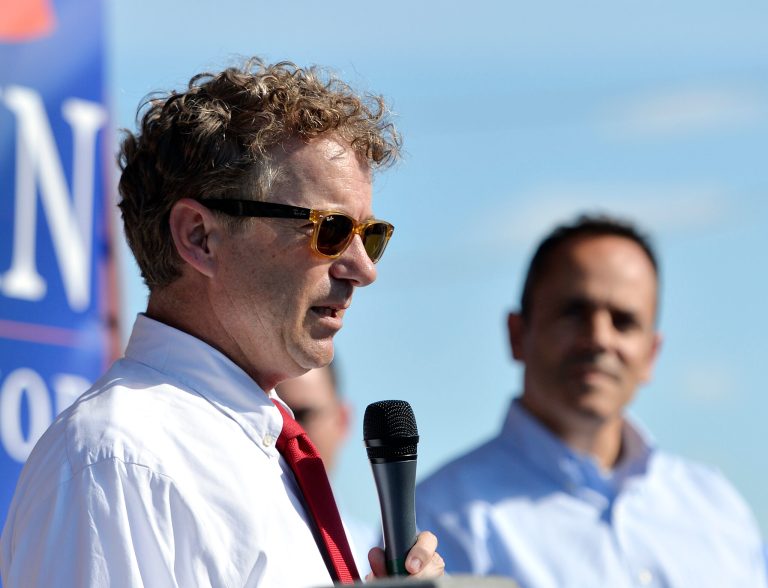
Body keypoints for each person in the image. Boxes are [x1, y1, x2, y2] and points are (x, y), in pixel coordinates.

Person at [1, 58, 444, 587]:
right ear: (199, 237)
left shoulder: (249, 448)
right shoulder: (119, 458)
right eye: (331, 230)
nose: (363, 270)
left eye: (370, 235)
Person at [415, 214, 766, 587]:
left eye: (624, 321)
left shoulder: (717, 507)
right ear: (518, 335)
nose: (599, 338)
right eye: (573, 314)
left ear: (651, 354)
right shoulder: (443, 517)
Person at [276, 361, 379, 573]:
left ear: (343, 420)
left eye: (301, 416)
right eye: (274, 417)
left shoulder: (377, 556)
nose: (282, 433)